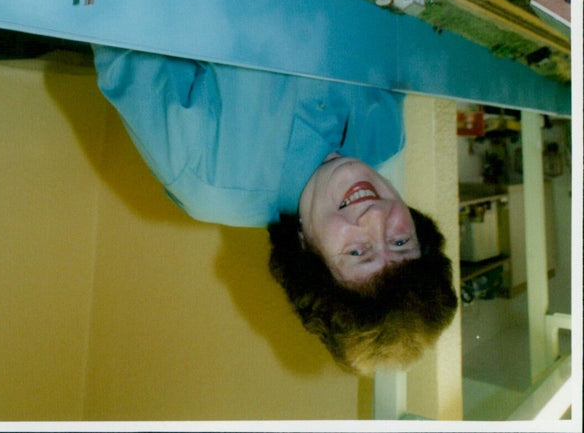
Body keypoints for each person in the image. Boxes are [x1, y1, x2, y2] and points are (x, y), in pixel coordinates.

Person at [85, 44, 458, 375]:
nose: (376, 217)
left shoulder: (204, 175)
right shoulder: (387, 138)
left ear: (304, 251)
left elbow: (121, 22)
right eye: (399, 242)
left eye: (358, 252)